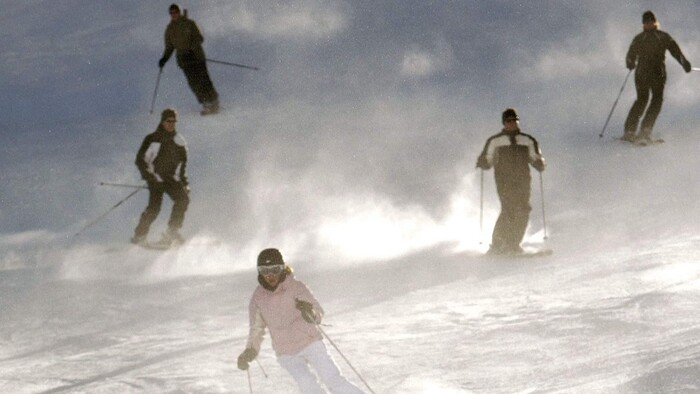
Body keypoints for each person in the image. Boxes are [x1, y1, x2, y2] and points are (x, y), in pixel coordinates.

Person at [237, 248, 364, 394]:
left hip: (310, 342)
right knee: (307, 386)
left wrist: (309, 312)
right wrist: (250, 350)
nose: (270, 275)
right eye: (265, 271)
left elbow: (318, 312)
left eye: (275, 269)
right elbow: (256, 329)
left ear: (282, 268)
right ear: (259, 272)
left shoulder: (295, 287)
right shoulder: (258, 298)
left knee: (333, 380)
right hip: (286, 352)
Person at [476, 108, 546, 255]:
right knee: (509, 208)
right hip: (504, 180)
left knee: (524, 209)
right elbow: (487, 159)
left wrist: (540, 163)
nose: (512, 123)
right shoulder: (495, 141)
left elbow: (535, 157)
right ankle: (497, 245)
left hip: (523, 180)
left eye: (515, 120)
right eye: (509, 121)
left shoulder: (527, 140)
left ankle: (513, 244)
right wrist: (483, 162)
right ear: (504, 123)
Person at [622, 10, 692, 145]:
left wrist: (684, 64)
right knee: (642, 99)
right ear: (643, 24)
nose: (649, 24)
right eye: (646, 22)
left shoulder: (662, 36)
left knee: (656, 100)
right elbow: (631, 53)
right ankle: (630, 131)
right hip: (643, 72)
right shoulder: (639, 38)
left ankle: (645, 130)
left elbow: (675, 51)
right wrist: (630, 62)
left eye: (651, 22)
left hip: (657, 73)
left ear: (655, 22)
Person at [131, 108, 190, 246]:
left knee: (183, 200)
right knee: (154, 208)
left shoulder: (179, 141)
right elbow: (140, 160)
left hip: (169, 178)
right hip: (155, 178)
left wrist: (185, 183)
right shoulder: (153, 138)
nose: (171, 124)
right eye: (168, 121)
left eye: (174, 121)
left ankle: (171, 233)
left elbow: (182, 166)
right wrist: (149, 176)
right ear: (163, 121)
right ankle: (139, 235)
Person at [158, 4, 220, 116]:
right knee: (194, 83)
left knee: (204, 80)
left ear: (179, 12)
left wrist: (191, 48)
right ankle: (206, 103)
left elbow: (200, 38)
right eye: (171, 13)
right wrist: (164, 59)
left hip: (196, 57)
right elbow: (169, 47)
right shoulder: (169, 29)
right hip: (184, 61)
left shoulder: (190, 23)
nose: (174, 14)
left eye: (175, 12)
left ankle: (214, 102)